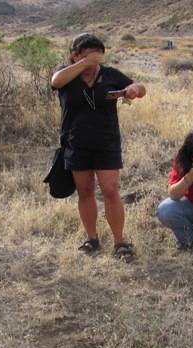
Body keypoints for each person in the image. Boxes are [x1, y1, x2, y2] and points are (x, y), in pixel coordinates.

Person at [50, 33, 146, 263]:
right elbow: (56, 81)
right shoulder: (68, 74)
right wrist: (84, 64)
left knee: (110, 190)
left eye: (97, 56)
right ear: (74, 56)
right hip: (76, 143)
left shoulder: (110, 74)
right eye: (85, 56)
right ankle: (91, 238)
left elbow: (140, 87)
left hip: (106, 142)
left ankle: (120, 242)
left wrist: (134, 88)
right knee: (84, 192)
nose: (93, 62)